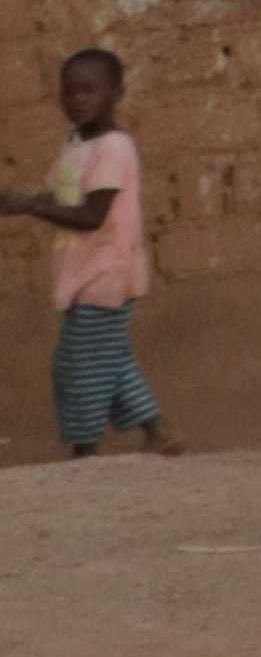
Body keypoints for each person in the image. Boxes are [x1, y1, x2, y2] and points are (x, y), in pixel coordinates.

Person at [10, 49, 168, 460]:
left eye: (89, 90)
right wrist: (21, 201)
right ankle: (157, 431)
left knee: (79, 367)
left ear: (116, 94)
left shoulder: (114, 147)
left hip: (105, 274)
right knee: (107, 359)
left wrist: (30, 207)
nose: (77, 99)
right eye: (69, 91)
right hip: (83, 272)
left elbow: (92, 215)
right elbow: (62, 197)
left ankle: (85, 449)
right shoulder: (76, 144)